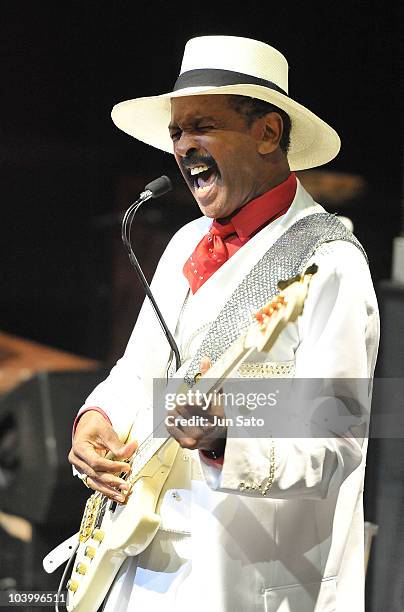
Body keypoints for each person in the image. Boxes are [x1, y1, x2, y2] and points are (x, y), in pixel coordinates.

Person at [68, 35, 379, 611]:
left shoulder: (331, 262)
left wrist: (226, 433)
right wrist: (98, 415)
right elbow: (140, 369)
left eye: (202, 125)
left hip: (248, 579)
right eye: (177, 132)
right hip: (148, 562)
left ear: (267, 133)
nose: (184, 146)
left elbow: (336, 434)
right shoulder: (185, 241)